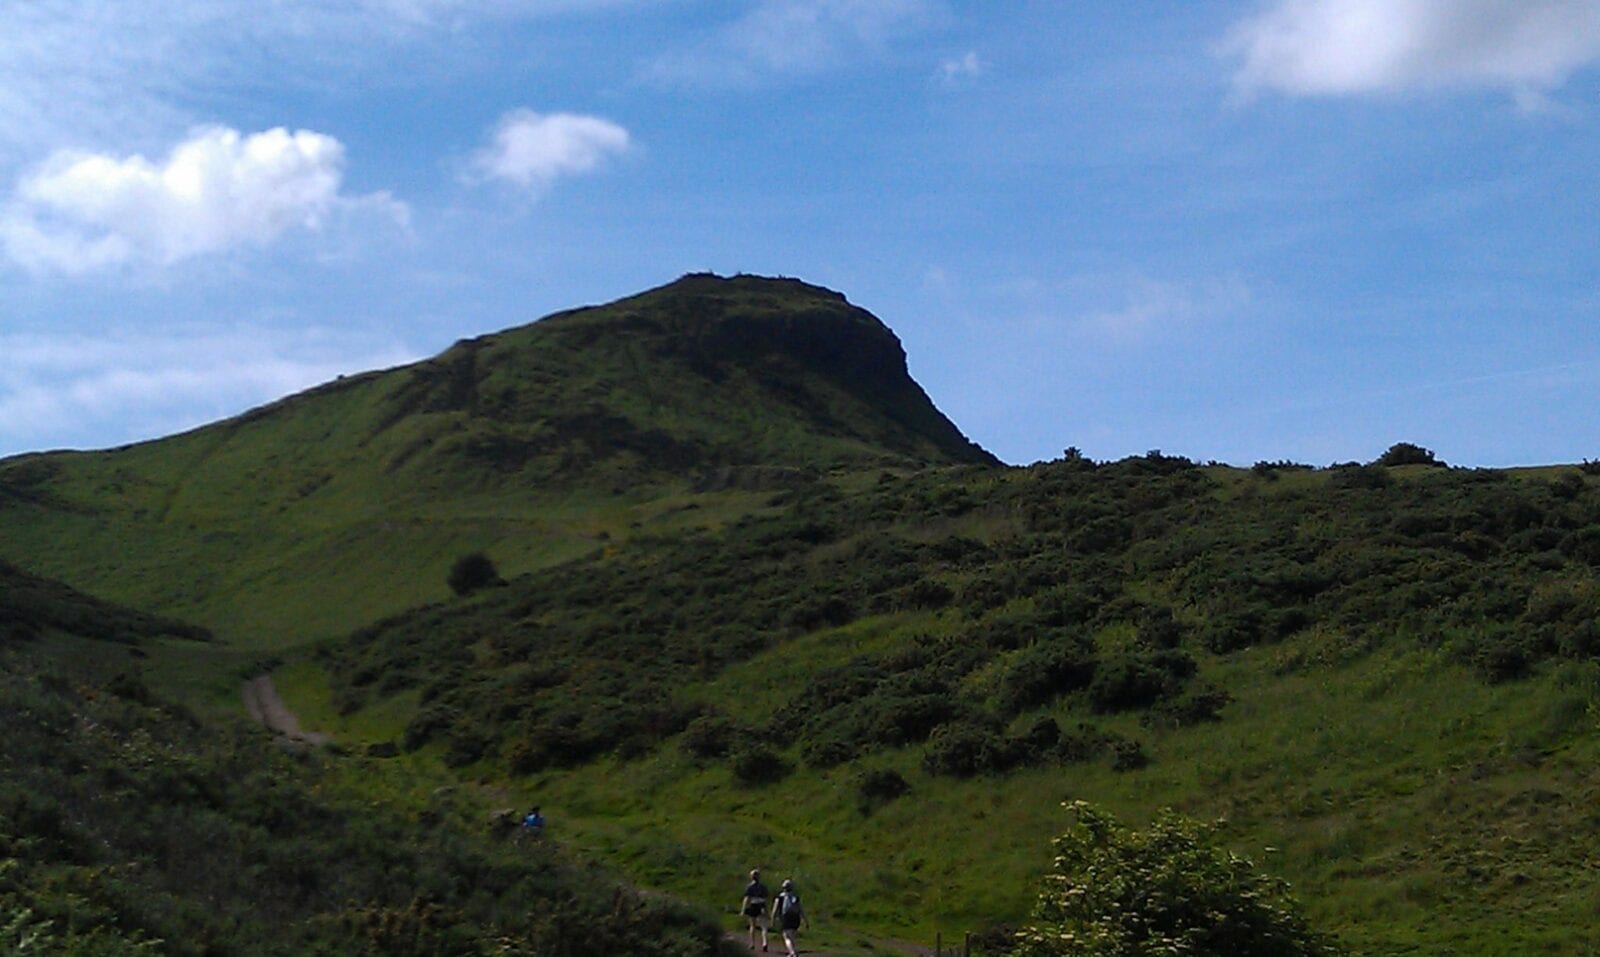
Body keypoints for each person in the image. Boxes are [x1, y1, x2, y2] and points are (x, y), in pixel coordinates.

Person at [770, 878, 808, 957]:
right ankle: (792, 952)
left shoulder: (780, 897)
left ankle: (792, 953)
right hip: (795, 918)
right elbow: (801, 910)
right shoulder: (795, 898)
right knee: (792, 936)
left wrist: (772, 920)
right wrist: (805, 921)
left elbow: (775, 910)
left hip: (785, 918)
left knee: (786, 937)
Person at [740, 868, 770, 951]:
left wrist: (743, 909)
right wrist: (767, 910)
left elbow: (747, 898)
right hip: (761, 905)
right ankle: (765, 942)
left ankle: (752, 943)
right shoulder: (763, 887)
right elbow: (765, 899)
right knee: (763, 926)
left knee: (752, 925)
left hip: (753, 905)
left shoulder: (749, 887)